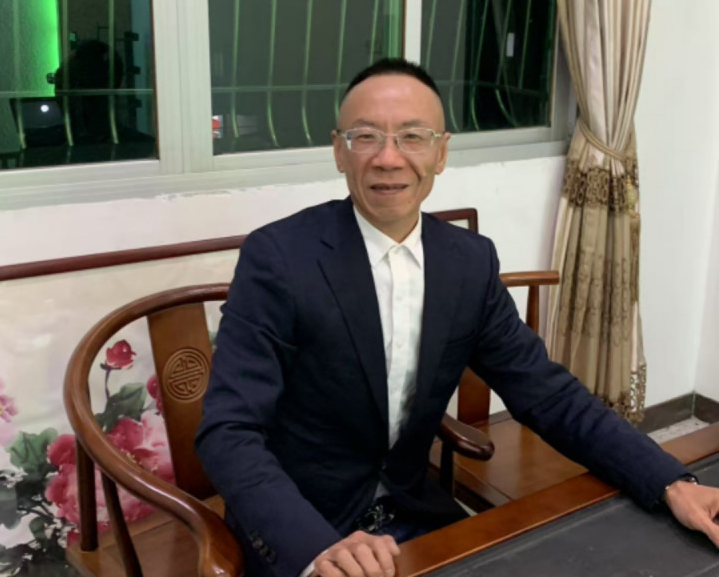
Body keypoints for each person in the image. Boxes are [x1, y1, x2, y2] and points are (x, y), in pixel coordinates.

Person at [196, 58, 719, 577]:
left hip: (412, 512)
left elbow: (547, 393)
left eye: (413, 137)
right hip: (304, 529)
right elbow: (228, 430)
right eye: (365, 137)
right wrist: (313, 549)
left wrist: (670, 481)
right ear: (339, 150)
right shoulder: (280, 258)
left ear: (442, 152)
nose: (388, 158)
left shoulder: (467, 262)